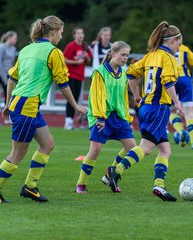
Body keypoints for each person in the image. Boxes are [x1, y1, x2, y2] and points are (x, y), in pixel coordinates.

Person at [0, 16, 87, 203]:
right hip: (27, 106)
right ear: (53, 32)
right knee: (18, 153)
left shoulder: (26, 49)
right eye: (61, 33)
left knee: (48, 144)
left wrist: (8, 103)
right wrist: (75, 105)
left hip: (24, 104)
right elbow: (63, 82)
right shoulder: (54, 52)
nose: (61, 37)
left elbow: (12, 78)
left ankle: (30, 187)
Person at [106, 21, 184, 202]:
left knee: (165, 150)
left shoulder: (151, 55)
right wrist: (177, 103)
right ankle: (115, 171)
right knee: (146, 148)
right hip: (159, 108)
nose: (179, 47)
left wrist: (137, 96)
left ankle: (159, 185)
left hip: (146, 107)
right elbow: (168, 81)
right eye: (179, 44)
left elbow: (131, 73)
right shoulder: (168, 58)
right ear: (174, 41)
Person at [75, 41, 137, 194]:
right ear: (112, 54)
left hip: (119, 118)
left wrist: (127, 119)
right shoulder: (100, 72)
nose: (125, 58)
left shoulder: (124, 73)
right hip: (102, 117)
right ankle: (81, 184)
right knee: (95, 150)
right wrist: (100, 118)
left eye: (127, 56)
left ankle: (110, 175)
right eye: (123, 55)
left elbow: (123, 99)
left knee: (132, 148)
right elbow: (96, 97)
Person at [63, 27, 92, 130]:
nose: (80, 35)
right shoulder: (71, 46)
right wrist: (76, 62)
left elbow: (89, 59)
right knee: (71, 98)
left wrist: (86, 56)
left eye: (82, 33)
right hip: (70, 75)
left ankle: (70, 120)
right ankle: (68, 121)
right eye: (78, 33)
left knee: (76, 98)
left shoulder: (85, 46)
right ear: (74, 35)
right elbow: (64, 59)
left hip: (80, 75)